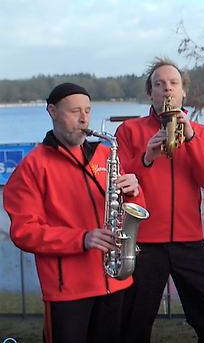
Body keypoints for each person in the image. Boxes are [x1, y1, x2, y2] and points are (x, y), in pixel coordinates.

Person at [3, 83, 143, 343]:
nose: (84, 119)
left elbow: (130, 207)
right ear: (52, 112)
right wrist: (81, 239)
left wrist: (134, 191)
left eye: (88, 111)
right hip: (66, 290)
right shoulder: (32, 166)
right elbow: (24, 233)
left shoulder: (105, 154)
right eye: (75, 111)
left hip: (116, 280)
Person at [115, 58, 204, 343]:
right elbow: (118, 184)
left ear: (183, 92)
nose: (167, 89)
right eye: (159, 84)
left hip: (189, 239)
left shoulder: (202, 133)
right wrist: (145, 158)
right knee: (134, 322)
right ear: (150, 93)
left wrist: (190, 138)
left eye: (173, 83)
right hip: (144, 241)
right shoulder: (129, 131)